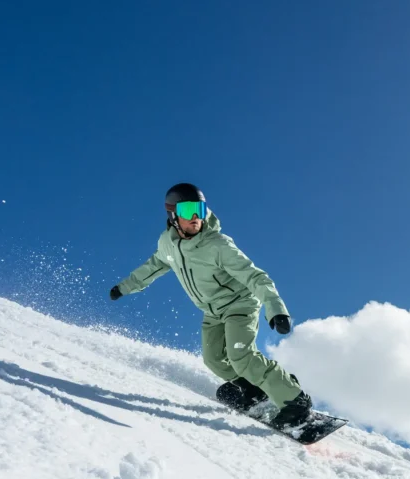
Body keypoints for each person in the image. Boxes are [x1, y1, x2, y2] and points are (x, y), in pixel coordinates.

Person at [109, 182, 312, 427]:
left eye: (200, 209)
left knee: (241, 356)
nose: (195, 217)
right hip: (212, 311)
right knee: (214, 359)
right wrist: (124, 287)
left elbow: (255, 276)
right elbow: (153, 266)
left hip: (240, 304)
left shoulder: (218, 244)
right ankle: (253, 389)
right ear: (173, 215)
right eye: (187, 211)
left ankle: (294, 401)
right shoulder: (167, 244)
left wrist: (275, 308)